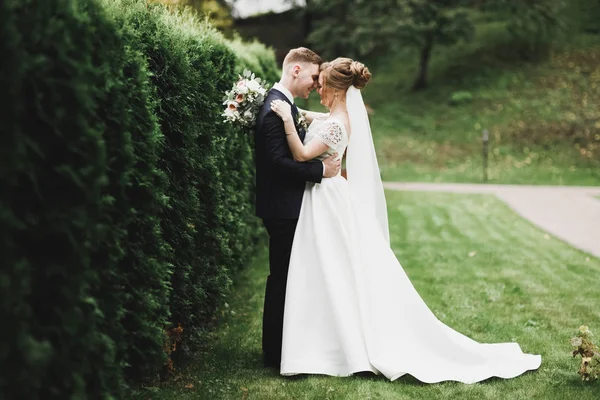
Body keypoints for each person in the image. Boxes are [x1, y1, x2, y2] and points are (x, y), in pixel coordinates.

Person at [269, 57, 541, 383]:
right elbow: (318, 118)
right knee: (329, 268)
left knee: (334, 266)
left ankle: (333, 345)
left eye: (323, 85)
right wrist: (294, 110)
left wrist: (286, 118)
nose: (319, 90)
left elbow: (300, 154)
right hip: (328, 198)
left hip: (327, 200)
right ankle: (326, 340)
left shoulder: (335, 124)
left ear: (338, 89)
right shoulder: (337, 117)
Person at [254, 47, 342, 369]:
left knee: (289, 278)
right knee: (283, 279)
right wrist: (320, 171)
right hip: (282, 208)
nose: (315, 85)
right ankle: (275, 352)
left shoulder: (285, 106)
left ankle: (285, 347)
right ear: (295, 71)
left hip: (288, 205)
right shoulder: (273, 110)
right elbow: (277, 163)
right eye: (313, 77)